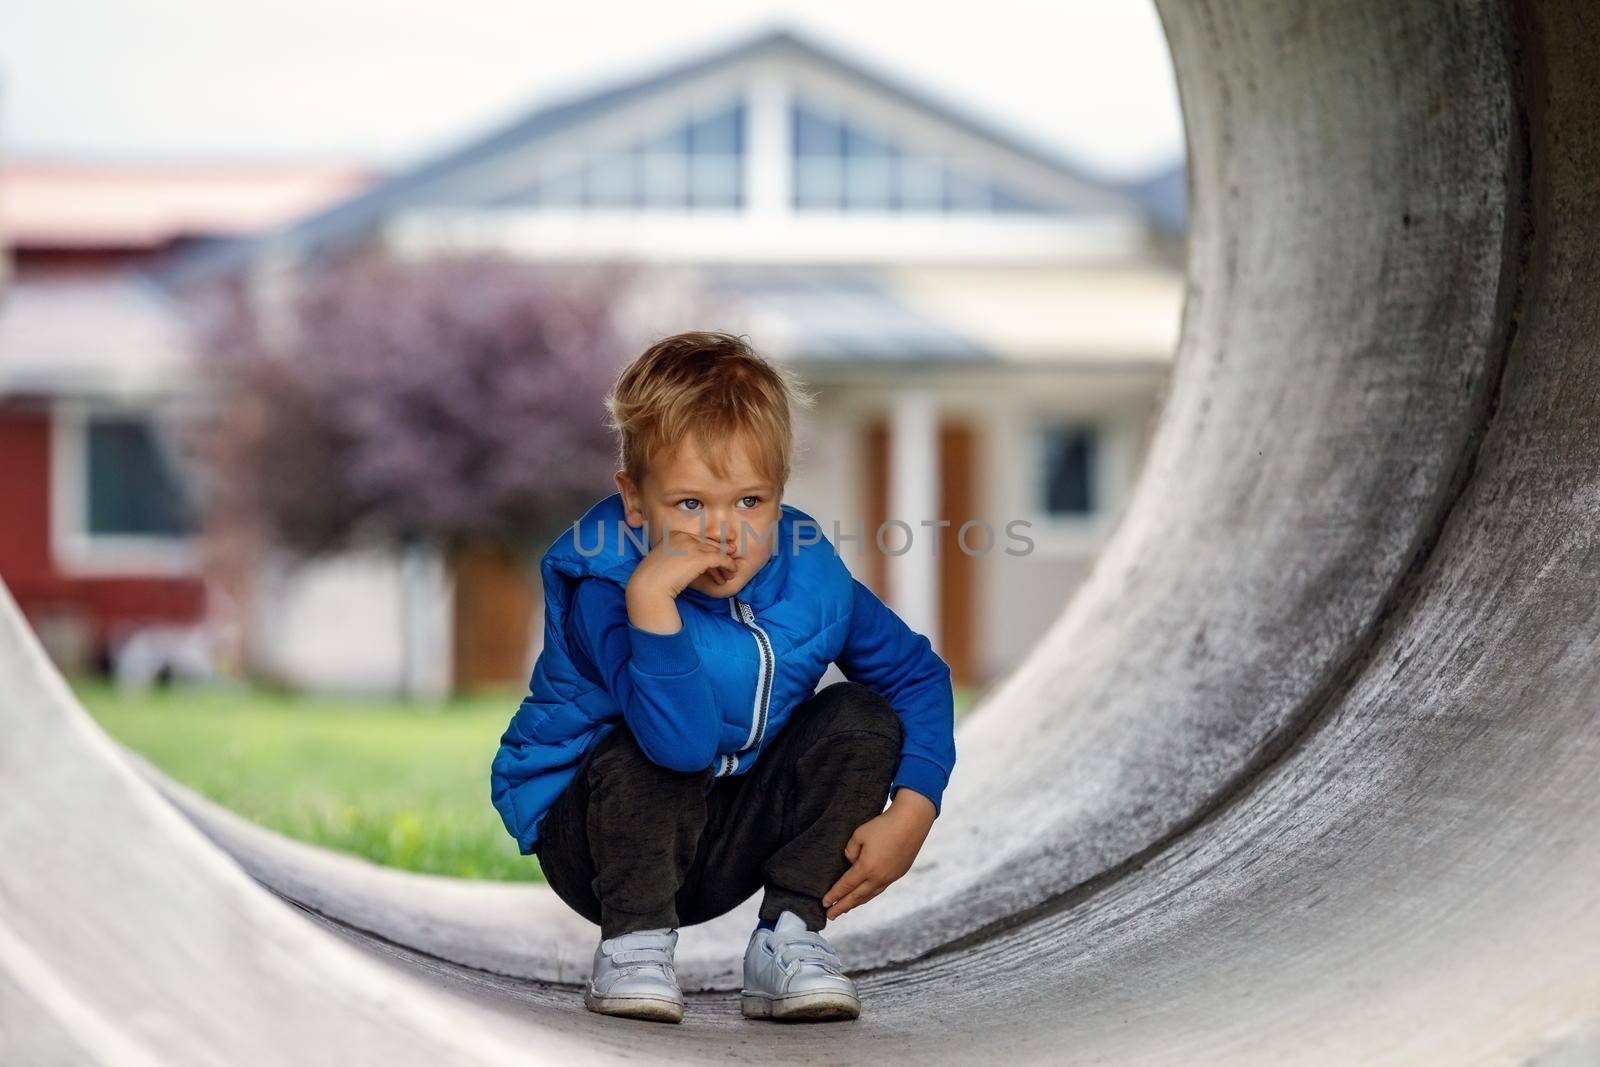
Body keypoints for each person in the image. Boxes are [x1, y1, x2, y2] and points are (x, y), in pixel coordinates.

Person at [490, 331, 956, 1024]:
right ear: (635, 500)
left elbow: (917, 676)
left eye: (749, 502)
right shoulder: (606, 587)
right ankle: (634, 945)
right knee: (651, 745)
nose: (724, 533)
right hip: (595, 837)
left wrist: (915, 808)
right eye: (689, 505)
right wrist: (652, 599)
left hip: (720, 832)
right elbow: (679, 744)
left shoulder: (811, 577)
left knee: (863, 716)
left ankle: (788, 940)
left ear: (779, 496)